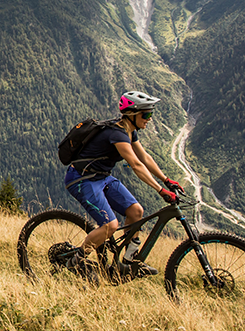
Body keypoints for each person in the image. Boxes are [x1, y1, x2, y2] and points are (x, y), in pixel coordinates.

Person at [63, 91, 184, 278]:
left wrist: (166, 180)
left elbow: (144, 157)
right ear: (132, 114)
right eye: (146, 114)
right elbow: (136, 164)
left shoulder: (129, 130)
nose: (149, 119)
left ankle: (128, 262)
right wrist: (161, 190)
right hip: (82, 179)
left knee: (136, 211)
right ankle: (75, 262)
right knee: (110, 226)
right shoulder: (117, 134)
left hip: (101, 177)